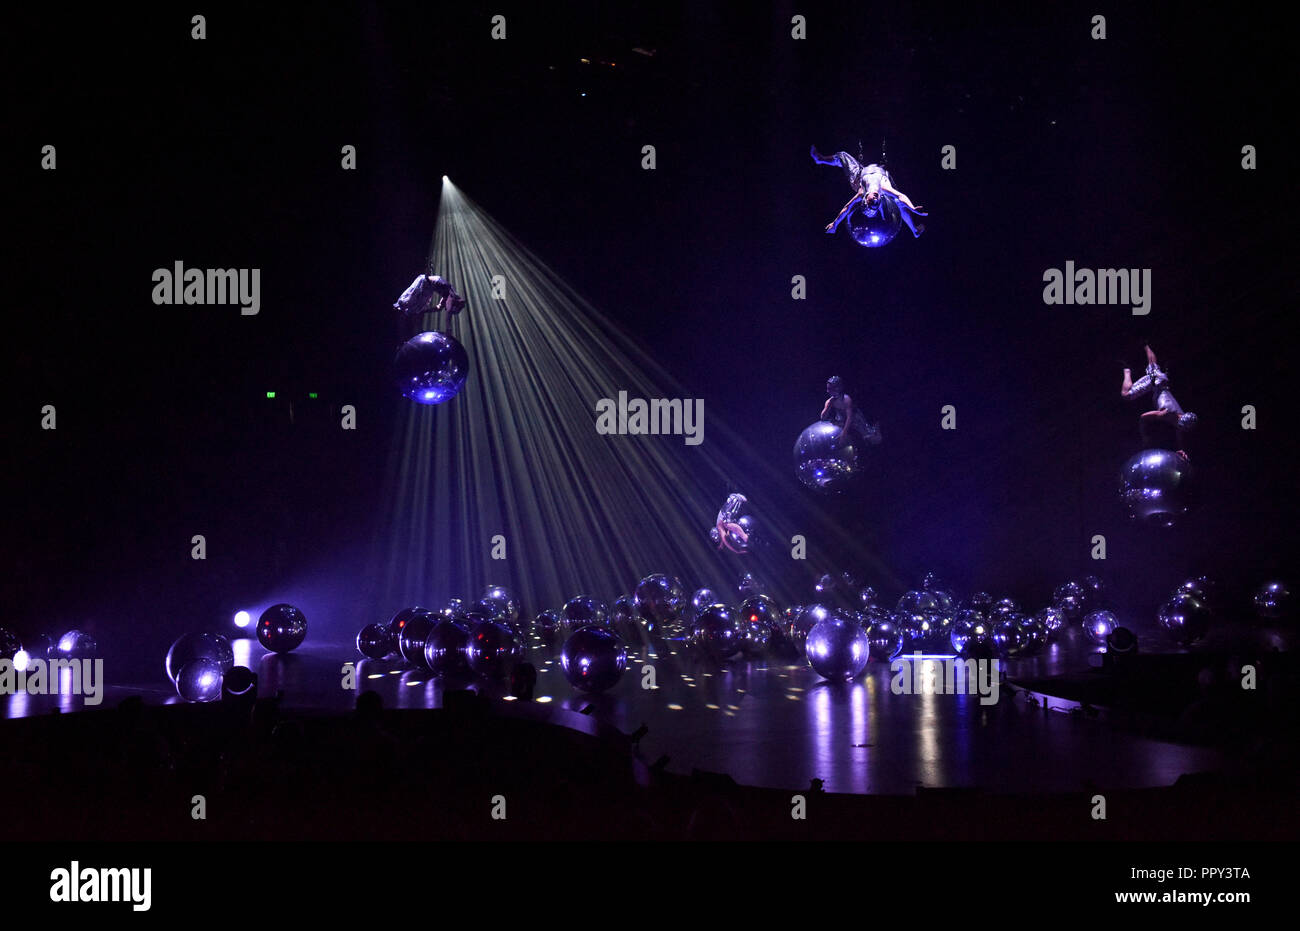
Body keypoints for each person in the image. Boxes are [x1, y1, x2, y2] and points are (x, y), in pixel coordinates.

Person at [812, 146, 927, 238]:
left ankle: (820, 159)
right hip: (882, 174)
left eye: (872, 202)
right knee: (899, 203)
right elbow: (900, 196)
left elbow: (846, 208)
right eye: (877, 203)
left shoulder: (861, 193)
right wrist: (913, 208)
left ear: (866, 200)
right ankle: (915, 230)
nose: (876, 199)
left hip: (860, 174)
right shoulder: (883, 188)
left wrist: (835, 223)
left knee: (842, 156)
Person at [1121, 345, 1197, 460]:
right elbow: (1143, 417)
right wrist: (1144, 436)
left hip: (1162, 382)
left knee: (1153, 364)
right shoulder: (1166, 414)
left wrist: (1181, 448)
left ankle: (1146, 345)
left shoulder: (1180, 415)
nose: (1180, 430)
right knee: (1126, 395)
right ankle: (1127, 369)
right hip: (1155, 382)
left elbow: (1179, 434)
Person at [821, 376, 882, 446]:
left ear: (837, 388)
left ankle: (875, 429)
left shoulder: (846, 399)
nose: (827, 391)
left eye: (830, 389)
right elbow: (822, 418)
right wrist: (827, 406)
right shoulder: (830, 401)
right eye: (827, 389)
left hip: (855, 419)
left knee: (873, 439)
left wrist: (843, 434)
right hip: (841, 419)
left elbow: (850, 418)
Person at [393, 273, 466, 319]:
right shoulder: (451, 295)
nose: (446, 309)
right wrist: (448, 328)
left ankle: (403, 311)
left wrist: (423, 312)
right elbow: (449, 310)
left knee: (415, 309)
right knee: (406, 302)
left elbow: (438, 308)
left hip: (428, 287)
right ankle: (399, 308)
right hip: (425, 282)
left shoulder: (447, 296)